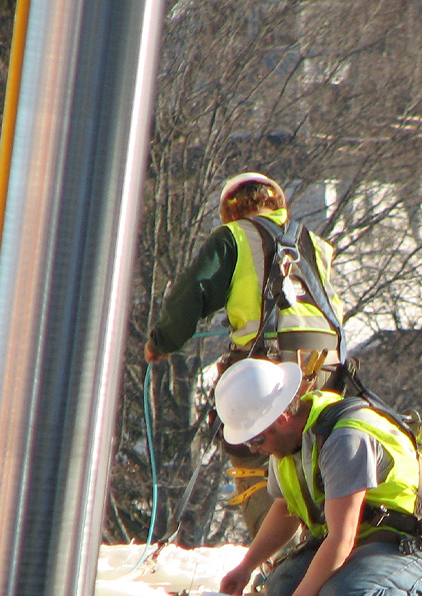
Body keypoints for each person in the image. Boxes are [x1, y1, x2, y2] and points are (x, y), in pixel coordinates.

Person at [144, 171, 345, 535]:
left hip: (271, 361)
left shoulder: (233, 237)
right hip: (330, 365)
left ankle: (279, 559)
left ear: (230, 210)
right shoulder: (315, 242)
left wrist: (163, 341)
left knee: (253, 449)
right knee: (319, 455)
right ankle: (327, 544)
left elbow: (195, 291)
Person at [214, 358, 422, 596]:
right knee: (281, 589)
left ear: (281, 417)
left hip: (415, 542)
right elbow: (286, 509)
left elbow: (341, 537)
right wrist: (245, 567)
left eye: (257, 439)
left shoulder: (345, 439)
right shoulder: (287, 446)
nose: (254, 449)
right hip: (364, 540)